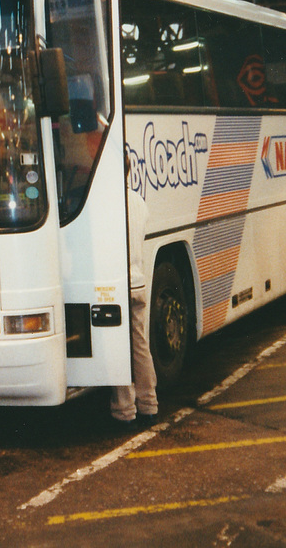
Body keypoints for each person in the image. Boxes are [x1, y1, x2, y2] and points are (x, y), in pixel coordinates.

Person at [109, 179, 158, 430]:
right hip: (137, 281)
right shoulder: (139, 200)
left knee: (120, 346)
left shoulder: (110, 202)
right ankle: (149, 404)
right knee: (139, 344)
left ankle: (125, 410)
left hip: (118, 285)